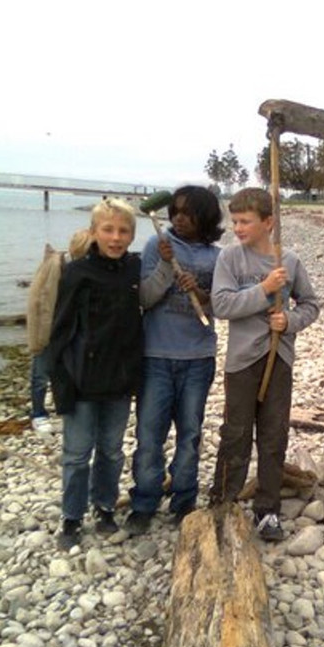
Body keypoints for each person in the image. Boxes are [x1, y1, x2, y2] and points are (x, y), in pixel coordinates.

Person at [208, 187, 319, 541]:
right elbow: (222, 305)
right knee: (236, 433)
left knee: (273, 435)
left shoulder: (289, 261)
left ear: (268, 222)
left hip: (278, 358)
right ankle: (223, 501)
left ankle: (267, 510)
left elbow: (311, 305)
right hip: (242, 361)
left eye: (245, 221)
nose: (237, 228)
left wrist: (289, 321)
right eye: (234, 221)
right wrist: (264, 289)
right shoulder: (230, 259)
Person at [125, 186, 224, 535]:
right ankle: (144, 502)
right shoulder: (157, 245)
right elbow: (145, 299)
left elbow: (218, 308)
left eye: (188, 213)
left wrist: (197, 289)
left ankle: (184, 500)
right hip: (156, 356)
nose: (179, 218)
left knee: (190, 434)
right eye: (175, 212)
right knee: (149, 435)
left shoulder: (217, 257)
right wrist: (166, 267)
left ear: (205, 217)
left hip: (198, 358)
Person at [48, 199, 144, 551]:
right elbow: (59, 331)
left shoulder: (135, 269)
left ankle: (104, 506)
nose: (115, 238)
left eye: (123, 231)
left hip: (119, 379)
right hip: (82, 379)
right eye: (108, 230)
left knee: (111, 451)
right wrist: (59, 382)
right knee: (76, 454)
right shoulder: (76, 272)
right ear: (93, 232)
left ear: (132, 236)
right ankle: (72, 516)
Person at [27, 230, 93, 436]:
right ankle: (38, 413)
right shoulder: (57, 266)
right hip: (49, 329)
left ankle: (65, 408)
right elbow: (41, 301)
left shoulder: (84, 269)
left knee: (67, 371)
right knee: (41, 373)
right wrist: (42, 334)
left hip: (69, 329)